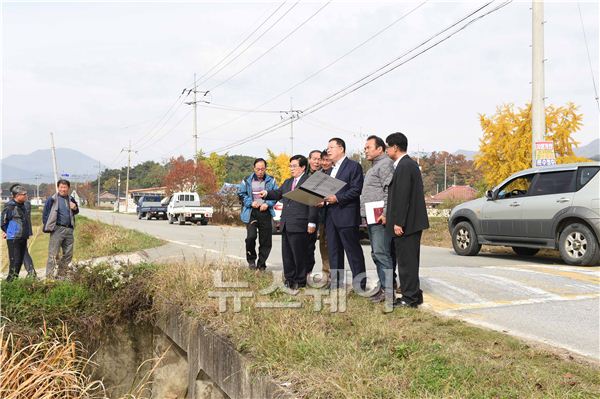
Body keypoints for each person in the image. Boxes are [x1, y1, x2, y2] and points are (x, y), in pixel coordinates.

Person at [385, 132, 429, 308]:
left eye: (388, 146)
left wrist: (398, 222)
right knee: (411, 261)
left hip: (406, 224)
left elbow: (403, 197)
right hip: (411, 222)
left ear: (395, 147)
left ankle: (409, 299)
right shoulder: (409, 164)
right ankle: (415, 295)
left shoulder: (404, 166)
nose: (387, 149)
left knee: (406, 262)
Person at [260, 155, 318, 288]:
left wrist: (312, 222)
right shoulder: (287, 182)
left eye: (294, 166)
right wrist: (267, 193)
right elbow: (278, 193)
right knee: (287, 254)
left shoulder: (309, 181)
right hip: (286, 223)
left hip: (301, 223)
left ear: (303, 167)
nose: (291, 168)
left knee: (299, 254)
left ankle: (300, 280)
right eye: (290, 166)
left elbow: (313, 203)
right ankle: (289, 279)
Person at [322, 137, 367, 291]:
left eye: (331, 147)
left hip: (346, 215)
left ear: (341, 149)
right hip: (330, 215)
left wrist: (338, 198)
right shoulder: (329, 170)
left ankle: (360, 285)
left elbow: (356, 189)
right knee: (334, 251)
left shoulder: (353, 166)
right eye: (327, 148)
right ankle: (336, 283)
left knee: (352, 251)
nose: (328, 150)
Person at [360, 135, 395, 302]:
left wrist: (386, 213)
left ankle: (388, 291)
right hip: (371, 216)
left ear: (380, 149)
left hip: (380, 217)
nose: (365, 150)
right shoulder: (374, 166)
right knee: (376, 253)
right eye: (365, 148)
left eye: (368, 147)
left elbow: (389, 191)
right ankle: (383, 287)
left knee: (381, 253)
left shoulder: (385, 164)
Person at [238, 158, 278, 270]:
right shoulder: (247, 180)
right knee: (251, 237)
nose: (260, 171)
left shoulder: (271, 180)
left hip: (265, 212)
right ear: (254, 168)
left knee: (265, 240)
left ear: (265, 169)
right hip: (252, 212)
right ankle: (251, 261)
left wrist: (268, 204)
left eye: (262, 169)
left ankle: (261, 264)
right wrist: (251, 203)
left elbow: (276, 194)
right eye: (258, 169)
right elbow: (241, 194)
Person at [43, 179, 79, 280]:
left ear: (68, 188)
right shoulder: (52, 199)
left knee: (68, 254)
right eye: (61, 187)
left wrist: (75, 207)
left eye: (65, 187)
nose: (63, 189)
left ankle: (61, 274)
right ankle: (49, 277)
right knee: (53, 254)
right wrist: (49, 227)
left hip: (69, 229)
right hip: (57, 229)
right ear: (58, 188)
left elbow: (76, 211)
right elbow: (45, 214)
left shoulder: (71, 198)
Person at [1, 185, 33, 282]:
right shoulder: (10, 207)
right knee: (14, 262)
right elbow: (3, 222)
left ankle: (14, 283)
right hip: (14, 239)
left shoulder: (25, 205)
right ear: (17, 195)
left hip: (23, 237)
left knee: (19, 263)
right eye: (24, 194)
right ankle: (9, 284)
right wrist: (9, 232)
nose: (26, 196)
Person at [306, 149, 322, 277]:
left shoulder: (325, 176)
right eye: (314, 159)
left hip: (321, 215)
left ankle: (309, 272)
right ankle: (303, 272)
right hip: (304, 215)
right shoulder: (303, 175)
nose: (316, 162)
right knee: (305, 245)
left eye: (319, 159)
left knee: (316, 246)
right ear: (309, 159)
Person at [316, 149, 332, 283]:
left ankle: (335, 274)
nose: (325, 163)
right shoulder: (318, 176)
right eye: (323, 160)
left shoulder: (336, 173)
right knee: (323, 244)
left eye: (328, 160)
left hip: (335, 214)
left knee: (334, 245)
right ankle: (326, 272)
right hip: (321, 216)